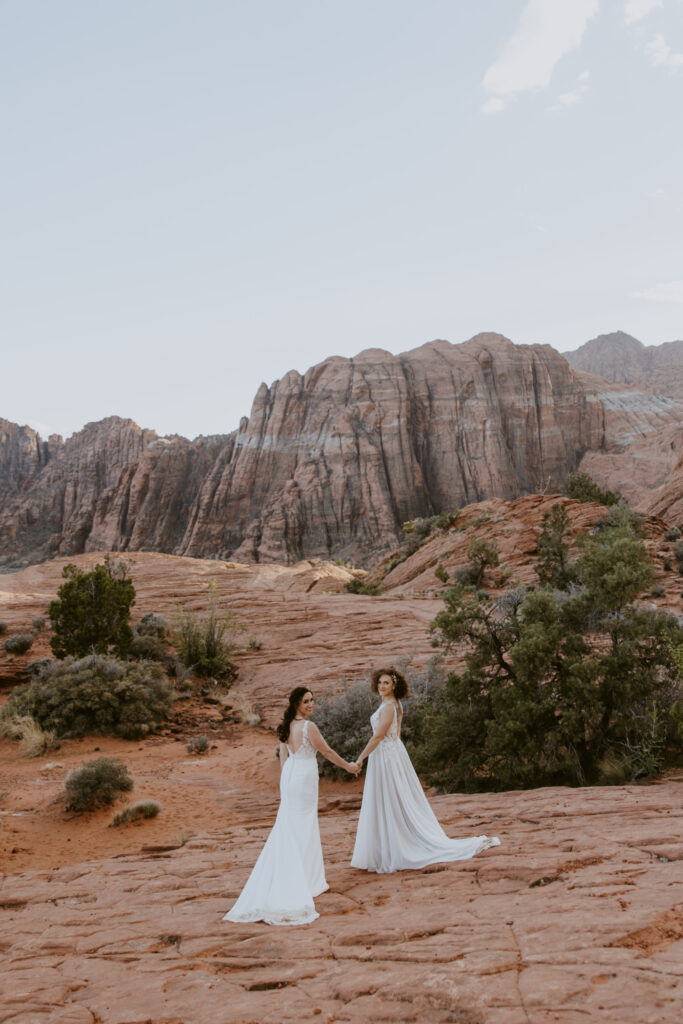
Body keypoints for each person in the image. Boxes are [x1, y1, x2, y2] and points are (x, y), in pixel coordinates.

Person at [224, 686, 359, 925]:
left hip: (291, 776)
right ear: (297, 703)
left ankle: (304, 877)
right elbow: (326, 751)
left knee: (290, 824)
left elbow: (283, 757)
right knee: (303, 825)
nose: (311, 704)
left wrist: (284, 782)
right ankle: (306, 880)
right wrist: (348, 766)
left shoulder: (286, 727)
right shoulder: (308, 727)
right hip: (304, 776)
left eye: (312, 700)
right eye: (306, 701)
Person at [351, 667, 500, 873]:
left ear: (394, 685)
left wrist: (360, 758)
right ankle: (389, 844)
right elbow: (397, 734)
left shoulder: (389, 707)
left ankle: (395, 846)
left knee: (390, 798)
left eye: (386, 683)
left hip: (385, 754)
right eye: (380, 683)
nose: (381, 686)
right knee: (393, 798)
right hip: (390, 753)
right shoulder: (395, 704)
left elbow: (378, 736)